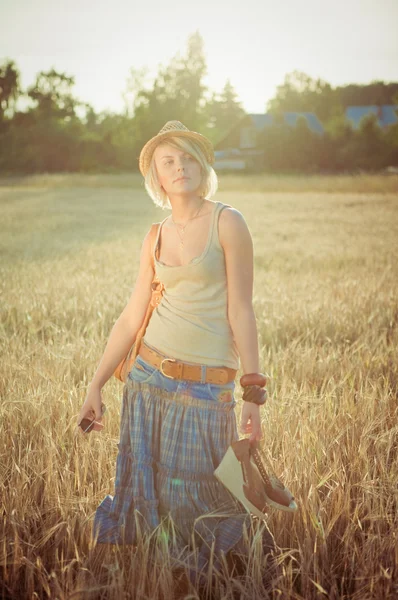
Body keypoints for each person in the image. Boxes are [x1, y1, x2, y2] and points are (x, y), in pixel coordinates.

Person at [77, 120, 277, 589]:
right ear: (157, 178)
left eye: (187, 157)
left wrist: (253, 392)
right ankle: (163, 582)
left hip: (207, 386)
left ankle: (224, 582)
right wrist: (96, 384)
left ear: (202, 165)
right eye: (169, 161)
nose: (179, 166)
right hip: (149, 379)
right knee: (150, 495)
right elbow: (131, 317)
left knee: (207, 499)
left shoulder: (229, 221)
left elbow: (242, 311)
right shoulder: (155, 235)